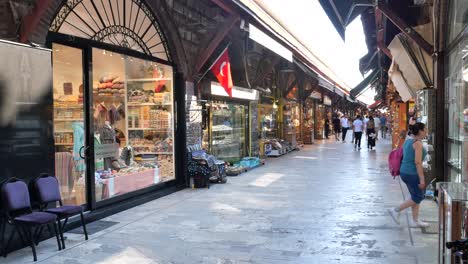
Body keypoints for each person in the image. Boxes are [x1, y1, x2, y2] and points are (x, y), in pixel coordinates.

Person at [388, 122, 429, 228]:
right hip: (412, 173)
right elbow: (418, 162)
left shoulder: (408, 140)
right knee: (418, 196)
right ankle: (396, 210)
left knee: (415, 195)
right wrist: (422, 179)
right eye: (425, 130)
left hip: (404, 171)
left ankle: (415, 220)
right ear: (420, 131)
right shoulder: (418, 144)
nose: (426, 132)